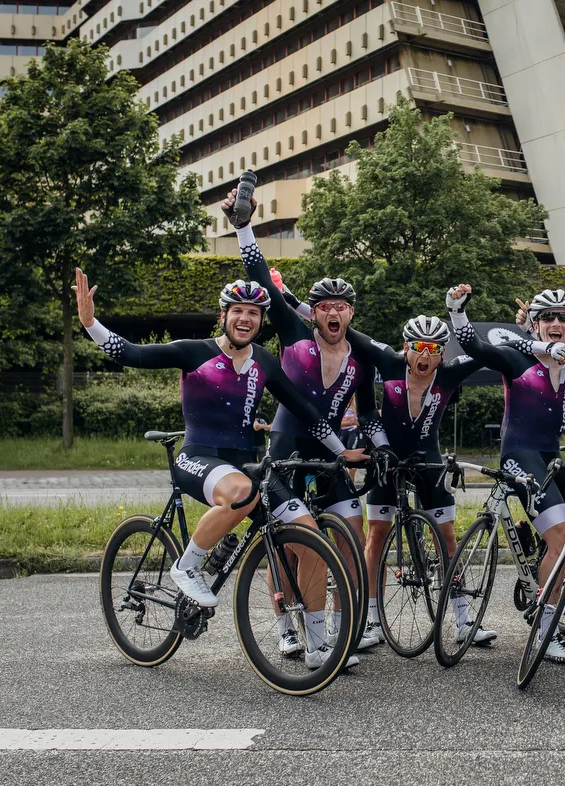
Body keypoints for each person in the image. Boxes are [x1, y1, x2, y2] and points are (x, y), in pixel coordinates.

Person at [73, 269, 368, 669]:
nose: (245, 319)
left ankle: (318, 647)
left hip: (244, 466)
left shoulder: (264, 361)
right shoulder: (194, 351)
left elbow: (306, 412)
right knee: (242, 492)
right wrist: (91, 323)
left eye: (254, 313)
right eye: (238, 311)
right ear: (224, 315)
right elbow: (132, 353)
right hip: (197, 456)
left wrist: (341, 451)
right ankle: (187, 565)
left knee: (310, 540)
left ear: (262, 322)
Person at [225, 189, 391, 654]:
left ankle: (341, 634)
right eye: (325, 306)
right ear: (313, 313)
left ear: (351, 312)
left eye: (342, 305)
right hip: (288, 446)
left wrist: (380, 448)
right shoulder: (295, 332)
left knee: (351, 540)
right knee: (290, 543)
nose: (333, 312)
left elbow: (371, 412)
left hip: (333, 450)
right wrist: (243, 227)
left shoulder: (361, 356)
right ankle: (286, 625)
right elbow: (261, 278)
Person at [446, 284, 565, 664]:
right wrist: (457, 310)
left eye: (563, 317)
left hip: (551, 457)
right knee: (561, 539)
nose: (556, 323)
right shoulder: (516, 358)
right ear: (536, 324)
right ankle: (545, 632)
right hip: (519, 456)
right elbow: (476, 347)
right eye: (547, 317)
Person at [342, 314, 497, 647]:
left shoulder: (451, 372)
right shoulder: (388, 362)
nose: (424, 355)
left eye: (433, 349)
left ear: (442, 353)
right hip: (387, 458)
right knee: (377, 535)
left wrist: (530, 333)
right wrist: (291, 301)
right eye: (418, 347)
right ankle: (373, 621)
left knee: (447, 539)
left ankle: (463, 620)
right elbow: (347, 330)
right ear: (405, 347)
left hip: (429, 459)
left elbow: (488, 350)